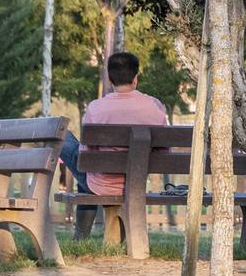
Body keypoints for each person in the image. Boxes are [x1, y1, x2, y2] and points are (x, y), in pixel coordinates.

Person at [59, 51, 170, 238]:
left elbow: (87, 157)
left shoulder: (96, 107)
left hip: (101, 183)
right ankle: (82, 239)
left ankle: (80, 239)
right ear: (136, 78)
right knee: (86, 175)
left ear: (109, 79)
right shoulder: (155, 106)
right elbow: (164, 151)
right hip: (136, 182)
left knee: (63, 138)